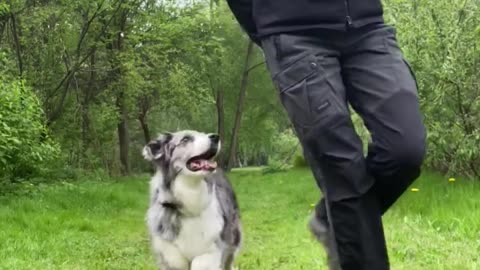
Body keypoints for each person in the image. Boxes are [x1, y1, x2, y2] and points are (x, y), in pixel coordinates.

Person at [226, 1, 427, 269]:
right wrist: (271, 23)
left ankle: (331, 217)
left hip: (366, 26)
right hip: (294, 34)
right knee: (342, 170)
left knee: (405, 149)